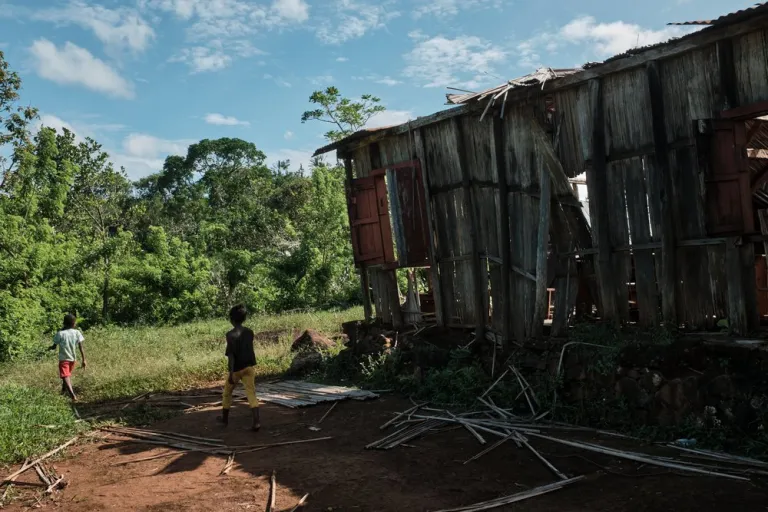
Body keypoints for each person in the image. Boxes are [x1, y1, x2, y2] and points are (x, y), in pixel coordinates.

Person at [220, 304, 260, 431]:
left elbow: (231, 355)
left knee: (227, 393)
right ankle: (257, 421)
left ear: (231, 319)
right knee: (251, 393)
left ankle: (224, 420)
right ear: (244, 319)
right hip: (249, 367)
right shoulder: (249, 332)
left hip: (236, 369)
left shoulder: (230, 335)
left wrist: (231, 373)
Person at [49, 313, 87, 401]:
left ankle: (72, 395)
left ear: (64, 323)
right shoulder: (77, 332)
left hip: (64, 359)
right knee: (66, 375)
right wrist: (84, 359)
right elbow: (81, 346)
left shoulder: (60, 333)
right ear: (74, 324)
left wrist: (50, 348)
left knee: (65, 376)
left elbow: (54, 346)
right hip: (73, 359)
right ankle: (63, 391)